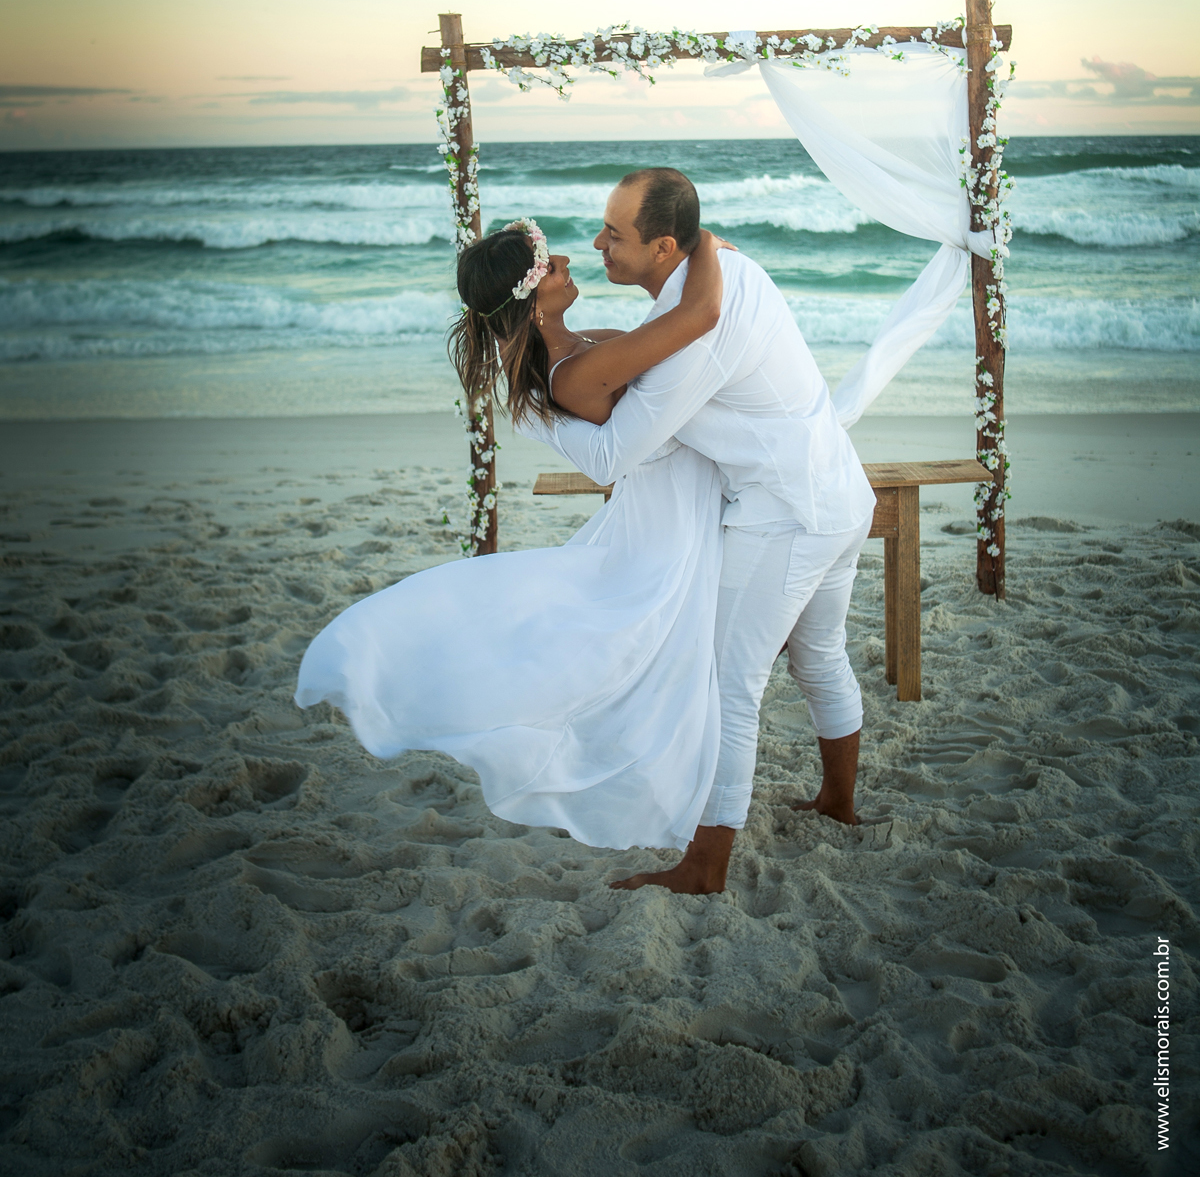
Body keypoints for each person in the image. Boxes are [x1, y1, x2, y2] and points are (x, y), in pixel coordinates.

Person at [294, 214, 734, 853]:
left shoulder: (551, 350)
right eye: (549, 266)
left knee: (650, 657)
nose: (565, 267)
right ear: (533, 296)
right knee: (659, 657)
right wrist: (707, 249)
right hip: (670, 520)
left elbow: (658, 346)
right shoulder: (561, 368)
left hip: (661, 510)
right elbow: (684, 339)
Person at [516, 167, 877, 896]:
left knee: (726, 685)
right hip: (841, 494)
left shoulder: (690, 339)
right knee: (820, 657)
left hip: (788, 514)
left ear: (664, 247)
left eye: (615, 235)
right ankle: (838, 802)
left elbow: (619, 452)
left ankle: (704, 868)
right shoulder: (723, 271)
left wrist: (541, 420)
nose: (598, 244)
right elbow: (634, 341)